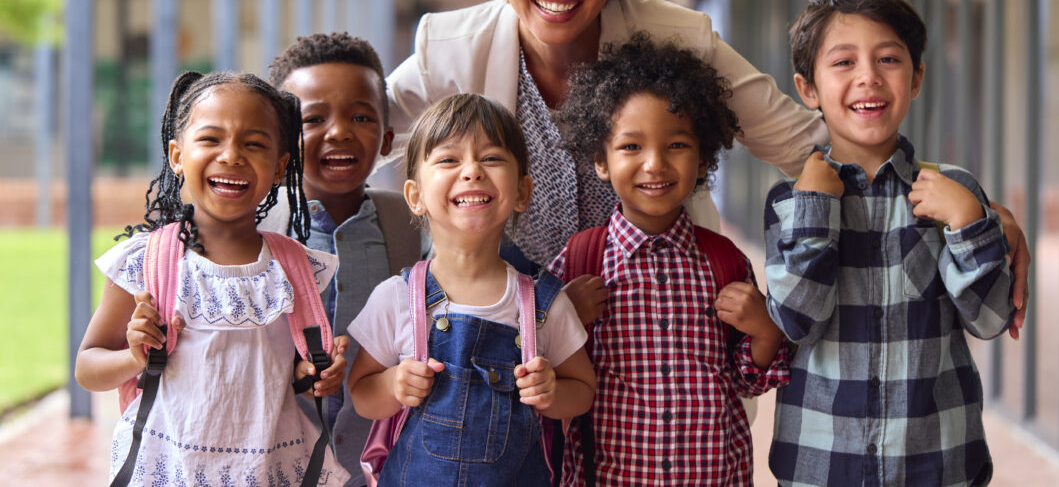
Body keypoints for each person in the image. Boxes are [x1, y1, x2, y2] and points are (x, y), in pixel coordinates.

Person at [381, 0, 1029, 338]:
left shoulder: (674, 36)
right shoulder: (451, 47)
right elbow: (356, 126)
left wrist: (965, 205)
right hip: (514, 341)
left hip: (656, 337)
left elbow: (811, 143)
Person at [764, 0, 1014, 486]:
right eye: (843, 62)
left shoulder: (953, 192)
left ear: (917, 77)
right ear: (807, 87)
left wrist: (968, 221)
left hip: (939, 462)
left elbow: (990, 319)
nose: (868, 78)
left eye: (888, 60)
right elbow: (794, 320)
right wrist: (817, 207)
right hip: (822, 464)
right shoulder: (790, 201)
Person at [74, 71, 350, 485]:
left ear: (279, 167)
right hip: (169, 470)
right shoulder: (147, 263)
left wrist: (316, 376)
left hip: (268, 470)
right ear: (177, 155)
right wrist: (134, 357)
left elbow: (289, 376)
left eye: (254, 144)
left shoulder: (295, 268)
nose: (232, 155)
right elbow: (87, 367)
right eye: (210, 139)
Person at [550, 36, 790, 485]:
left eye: (677, 145)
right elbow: (540, 369)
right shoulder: (582, 261)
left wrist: (764, 329)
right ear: (601, 161)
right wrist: (562, 318)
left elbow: (748, 381)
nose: (655, 164)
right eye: (631, 147)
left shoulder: (723, 261)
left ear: (703, 160)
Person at [347, 93, 596, 486]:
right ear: (415, 197)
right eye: (449, 159)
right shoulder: (395, 297)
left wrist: (551, 393)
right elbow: (361, 394)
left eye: (492, 158)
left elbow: (582, 390)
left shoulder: (544, 303)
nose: (472, 171)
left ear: (522, 192)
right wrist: (393, 384)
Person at [266, 32, 426, 484]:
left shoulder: (412, 231)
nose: (339, 131)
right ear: (279, 142)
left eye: (361, 115)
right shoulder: (252, 234)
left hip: (377, 468)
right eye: (313, 118)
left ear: (388, 138)